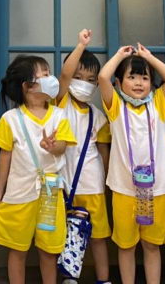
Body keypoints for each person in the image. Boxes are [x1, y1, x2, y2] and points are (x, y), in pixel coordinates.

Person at [0, 55, 76, 284]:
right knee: (17, 248)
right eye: (44, 74)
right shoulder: (10, 119)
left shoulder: (59, 115)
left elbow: (63, 147)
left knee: (49, 250)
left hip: (50, 193)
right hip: (19, 192)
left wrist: (53, 146)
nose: (51, 78)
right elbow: (5, 155)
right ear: (27, 85)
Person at [97, 44, 165, 284]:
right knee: (126, 246)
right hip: (124, 188)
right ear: (119, 82)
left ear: (151, 83)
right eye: (131, 77)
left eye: (144, 78)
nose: (138, 83)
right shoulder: (115, 106)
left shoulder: (158, 103)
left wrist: (148, 57)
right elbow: (102, 77)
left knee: (152, 246)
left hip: (157, 188)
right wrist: (119, 56)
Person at [56, 29, 112, 284]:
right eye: (78, 78)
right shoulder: (61, 103)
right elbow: (65, 75)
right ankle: (69, 277)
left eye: (90, 80)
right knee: (63, 232)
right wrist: (80, 45)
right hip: (61, 182)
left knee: (98, 236)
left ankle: (103, 279)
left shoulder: (98, 116)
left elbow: (104, 151)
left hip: (92, 183)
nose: (83, 83)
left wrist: (108, 183)